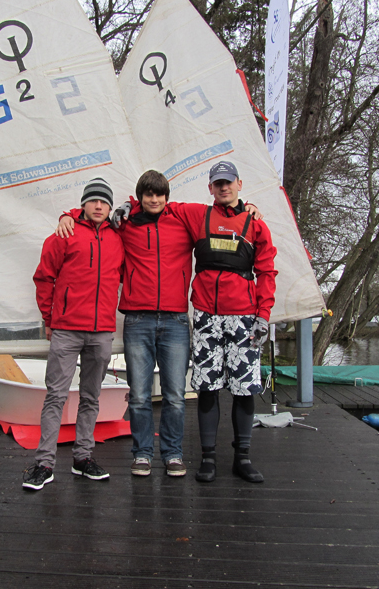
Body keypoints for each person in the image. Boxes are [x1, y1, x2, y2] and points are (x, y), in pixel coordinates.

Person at [57, 171, 262, 478]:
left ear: (167, 196)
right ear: (140, 197)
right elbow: (93, 215)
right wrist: (68, 215)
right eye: (148, 195)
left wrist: (249, 208)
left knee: (175, 395)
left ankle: (173, 454)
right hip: (137, 320)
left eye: (159, 194)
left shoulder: (183, 218)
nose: (154, 200)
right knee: (139, 395)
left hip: (175, 320)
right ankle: (142, 454)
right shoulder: (126, 223)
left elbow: (223, 214)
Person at [162, 161, 277, 483]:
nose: (223, 187)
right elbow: (156, 202)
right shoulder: (198, 215)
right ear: (210, 188)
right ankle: (208, 458)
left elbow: (267, 272)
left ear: (239, 184)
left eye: (228, 182)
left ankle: (243, 458)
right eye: (218, 183)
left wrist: (264, 315)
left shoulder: (256, 224)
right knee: (206, 388)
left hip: (244, 317)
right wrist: (126, 207)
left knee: (244, 389)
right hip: (206, 316)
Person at [22, 177, 124, 491]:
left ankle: (83, 458)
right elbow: (44, 277)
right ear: (83, 204)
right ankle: (44, 463)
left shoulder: (119, 237)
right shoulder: (64, 233)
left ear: (110, 207)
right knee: (56, 396)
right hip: (66, 329)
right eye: (93, 200)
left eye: (104, 202)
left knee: (91, 397)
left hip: (101, 331)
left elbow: (142, 207)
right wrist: (49, 317)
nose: (99, 206)